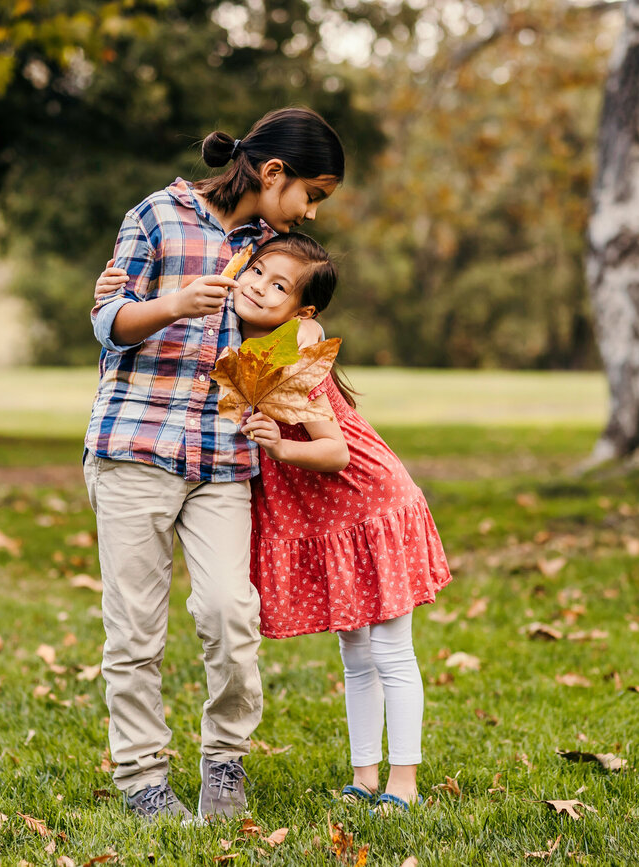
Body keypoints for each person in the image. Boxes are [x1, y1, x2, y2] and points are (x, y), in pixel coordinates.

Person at [96, 233, 452, 814]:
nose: (260, 287)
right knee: (356, 656)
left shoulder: (291, 359)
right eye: (257, 272)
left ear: (301, 310)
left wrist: (282, 451)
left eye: (279, 286)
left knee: (391, 651)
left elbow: (334, 452)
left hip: (367, 503)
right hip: (330, 516)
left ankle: (403, 784)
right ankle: (365, 778)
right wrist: (111, 292)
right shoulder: (247, 347)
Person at [84, 107, 344, 823]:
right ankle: (142, 778)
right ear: (272, 173)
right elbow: (108, 323)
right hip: (136, 444)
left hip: (225, 457)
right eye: (311, 193)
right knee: (135, 629)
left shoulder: (275, 247)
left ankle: (223, 758)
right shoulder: (158, 217)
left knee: (232, 613)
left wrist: (307, 323)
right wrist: (171, 305)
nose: (311, 209)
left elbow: (301, 315)